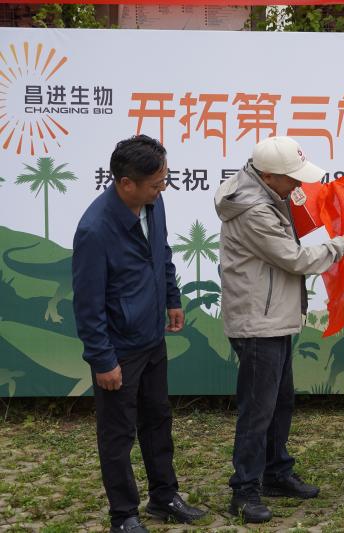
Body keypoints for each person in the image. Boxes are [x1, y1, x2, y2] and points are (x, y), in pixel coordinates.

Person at [214, 136, 344, 523]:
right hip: (258, 322)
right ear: (268, 176)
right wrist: (343, 243)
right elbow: (294, 259)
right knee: (258, 410)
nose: (298, 185)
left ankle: (275, 472)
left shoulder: (265, 191)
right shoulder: (254, 210)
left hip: (273, 316)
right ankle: (245, 491)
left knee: (280, 402)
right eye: (292, 178)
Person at [72, 135, 206, 533]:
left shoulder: (153, 203)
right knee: (117, 435)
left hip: (152, 339)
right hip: (119, 350)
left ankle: (164, 496)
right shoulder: (95, 230)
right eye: (156, 183)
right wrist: (103, 360)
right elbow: (88, 303)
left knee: (158, 420)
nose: (162, 188)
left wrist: (172, 298)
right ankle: (123, 515)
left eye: (164, 179)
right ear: (126, 183)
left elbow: (161, 253)